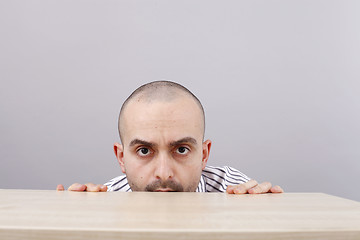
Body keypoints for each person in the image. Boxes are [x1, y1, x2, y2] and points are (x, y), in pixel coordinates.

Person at [57, 81, 283, 194]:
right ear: (121, 157)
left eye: (181, 149)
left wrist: (268, 225)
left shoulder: (234, 190)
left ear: (204, 155)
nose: (163, 173)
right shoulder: (105, 202)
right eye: (144, 151)